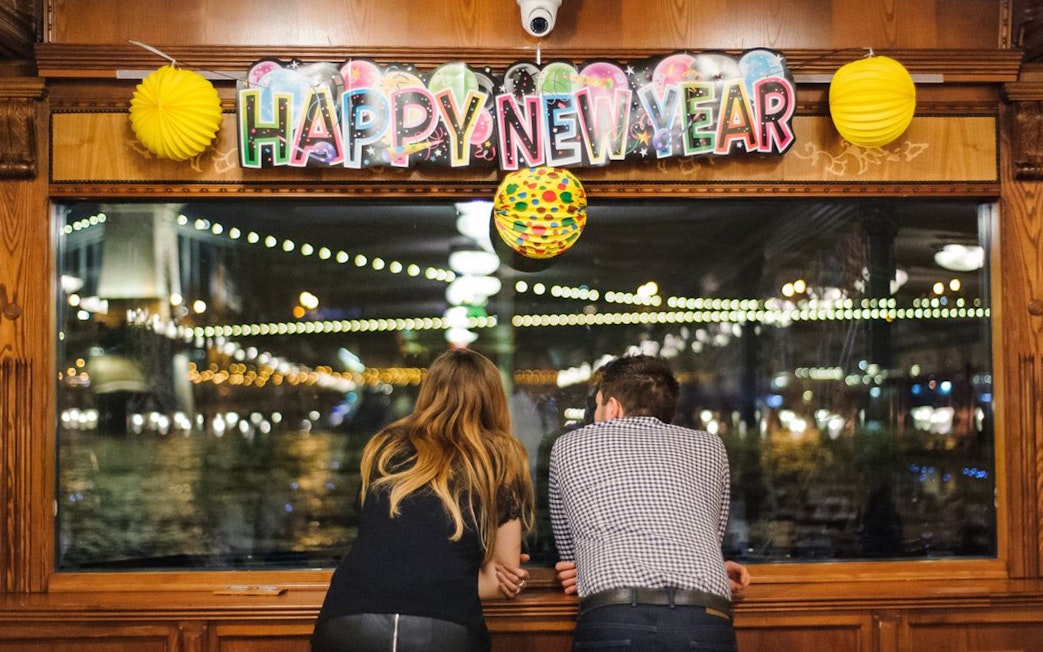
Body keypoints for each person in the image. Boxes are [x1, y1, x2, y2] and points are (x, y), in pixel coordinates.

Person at [313, 348, 536, 652]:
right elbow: (502, 579)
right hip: (443, 630)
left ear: (428, 393)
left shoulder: (384, 445)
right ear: (494, 400)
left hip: (348, 618)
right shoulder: (501, 456)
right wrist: (455, 569)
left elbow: (384, 540)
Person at [548, 354, 749, 651]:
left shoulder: (569, 445)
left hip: (614, 615)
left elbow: (570, 557)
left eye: (598, 405)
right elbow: (711, 535)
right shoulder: (710, 447)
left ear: (612, 407)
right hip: (704, 617)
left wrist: (595, 562)